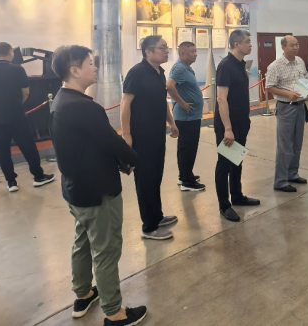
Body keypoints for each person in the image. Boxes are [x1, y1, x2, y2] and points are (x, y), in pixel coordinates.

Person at [49, 45, 146, 326]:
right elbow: (110, 140)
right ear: (74, 70)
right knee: (106, 250)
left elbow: (90, 144)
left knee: (82, 241)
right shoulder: (84, 107)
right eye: (90, 63)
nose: (95, 67)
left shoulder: (60, 100)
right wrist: (132, 159)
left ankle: (83, 293)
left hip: (76, 189)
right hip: (97, 190)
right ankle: (114, 313)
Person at [121, 35, 179, 240]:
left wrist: (171, 122)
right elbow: (125, 103)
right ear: (148, 52)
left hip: (157, 134)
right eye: (162, 47)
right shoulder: (137, 72)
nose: (166, 51)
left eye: (166, 47)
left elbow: (162, 101)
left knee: (156, 176)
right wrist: (126, 135)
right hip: (142, 136)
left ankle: (157, 216)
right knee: (145, 179)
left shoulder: (159, 72)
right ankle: (149, 227)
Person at [0, 42, 54, 192]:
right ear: (10, 52)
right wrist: (17, 103)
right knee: (28, 147)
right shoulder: (17, 69)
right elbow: (26, 91)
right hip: (16, 116)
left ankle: (11, 182)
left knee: (3, 151)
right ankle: (38, 176)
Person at [215, 29, 260, 222]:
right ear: (237, 44)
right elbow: (221, 99)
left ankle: (237, 195)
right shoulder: (225, 66)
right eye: (247, 41)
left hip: (242, 121)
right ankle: (224, 205)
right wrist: (228, 128)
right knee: (224, 164)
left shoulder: (240, 64)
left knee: (237, 160)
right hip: (228, 124)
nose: (250, 44)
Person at [266, 35, 308, 193]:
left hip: (300, 106)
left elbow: (304, 79)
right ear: (283, 47)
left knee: (297, 144)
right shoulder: (275, 66)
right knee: (285, 145)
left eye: (297, 44)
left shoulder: (300, 62)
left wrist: (305, 90)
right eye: (292, 45)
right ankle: (280, 181)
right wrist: (287, 94)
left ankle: (292, 174)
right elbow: (269, 87)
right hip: (286, 108)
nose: (296, 47)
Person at [166, 41, 205, 192]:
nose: (195, 54)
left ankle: (185, 174)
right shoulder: (179, 68)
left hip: (191, 116)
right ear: (182, 53)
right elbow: (169, 85)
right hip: (186, 117)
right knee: (188, 148)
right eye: (192, 52)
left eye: (196, 51)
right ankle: (187, 182)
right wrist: (182, 103)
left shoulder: (186, 67)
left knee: (187, 148)